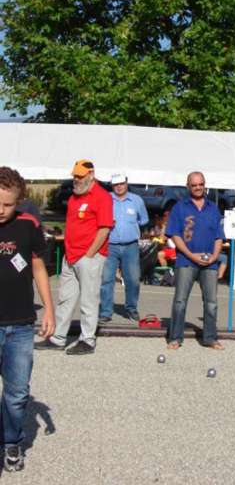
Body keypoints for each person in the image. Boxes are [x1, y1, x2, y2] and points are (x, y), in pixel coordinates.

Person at [0, 166, 55, 472]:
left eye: (8, 204)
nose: (1, 210)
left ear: (19, 201)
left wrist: (49, 308)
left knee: (17, 393)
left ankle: (11, 442)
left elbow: (37, 268)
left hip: (20, 324)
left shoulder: (28, 225)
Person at [35, 160, 113, 355]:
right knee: (65, 298)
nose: (76, 179)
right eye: (75, 175)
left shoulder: (102, 197)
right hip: (71, 256)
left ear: (91, 175)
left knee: (89, 299)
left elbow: (104, 229)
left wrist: (89, 254)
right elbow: (72, 226)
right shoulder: (74, 197)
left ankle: (87, 339)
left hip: (88, 256)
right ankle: (58, 337)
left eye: (80, 176)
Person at [166, 171, 225, 350]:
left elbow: (219, 237)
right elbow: (175, 235)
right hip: (186, 260)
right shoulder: (179, 207)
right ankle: (175, 338)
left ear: (205, 185)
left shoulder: (213, 208)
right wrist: (191, 256)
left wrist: (215, 257)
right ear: (188, 186)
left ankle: (210, 338)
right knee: (180, 301)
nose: (198, 187)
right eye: (194, 185)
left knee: (211, 303)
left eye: (201, 184)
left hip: (210, 262)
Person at [99, 173, 149, 323]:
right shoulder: (105, 199)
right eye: (116, 184)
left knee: (133, 279)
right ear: (111, 185)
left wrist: (129, 227)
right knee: (106, 279)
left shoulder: (136, 200)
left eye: (121, 183)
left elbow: (143, 219)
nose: (119, 186)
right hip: (109, 245)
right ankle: (106, 311)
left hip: (131, 246)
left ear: (127, 183)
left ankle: (131, 308)